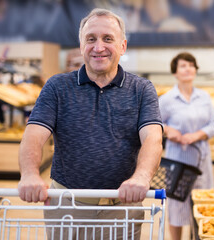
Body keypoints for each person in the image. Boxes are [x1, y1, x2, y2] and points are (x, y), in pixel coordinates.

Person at [17, 8, 163, 239]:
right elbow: (34, 134)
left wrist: (141, 177)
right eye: (90, 39)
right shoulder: (57, 87)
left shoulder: (142, 89)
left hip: (122, 208)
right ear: (81, 46)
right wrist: (30, 174)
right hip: (67, 207)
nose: (98, 47)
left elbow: (153, 138)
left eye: (108, 39)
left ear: (123, 46)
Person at [159, 52, 214, 240]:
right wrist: (168, 131)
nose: (188, 69)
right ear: (175, 72)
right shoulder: (167, 99)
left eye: (191, 65)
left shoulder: (204, 97)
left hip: (201, 158)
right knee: (177, 206)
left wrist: (198, 135)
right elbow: (155, 124)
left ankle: (198, 236)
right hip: (178, 159)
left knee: (201, 201)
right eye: (183, 66)